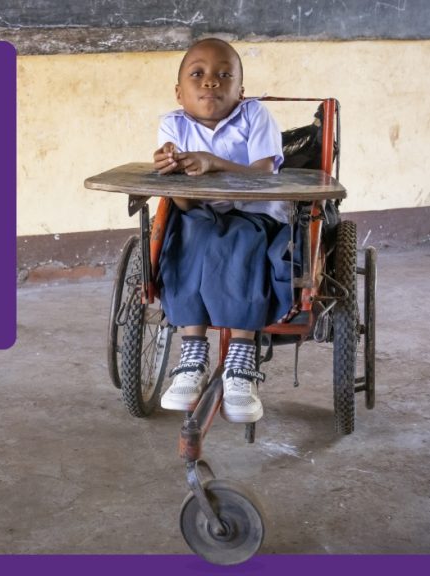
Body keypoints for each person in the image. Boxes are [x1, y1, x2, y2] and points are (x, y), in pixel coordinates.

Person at [152, 38, 295, 423]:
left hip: (255, 213)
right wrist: (171, 174)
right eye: (197, 74)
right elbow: (179, 202)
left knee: (242, 244)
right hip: (199, 213)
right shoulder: (173, 124)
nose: (210, 82)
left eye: (223, 75)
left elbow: (266, 173)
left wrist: (213, 163)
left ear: (241, 91)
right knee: (185, 240)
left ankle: (241, 359)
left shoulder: (255, 116)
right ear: (179, 92)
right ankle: (193, 354)